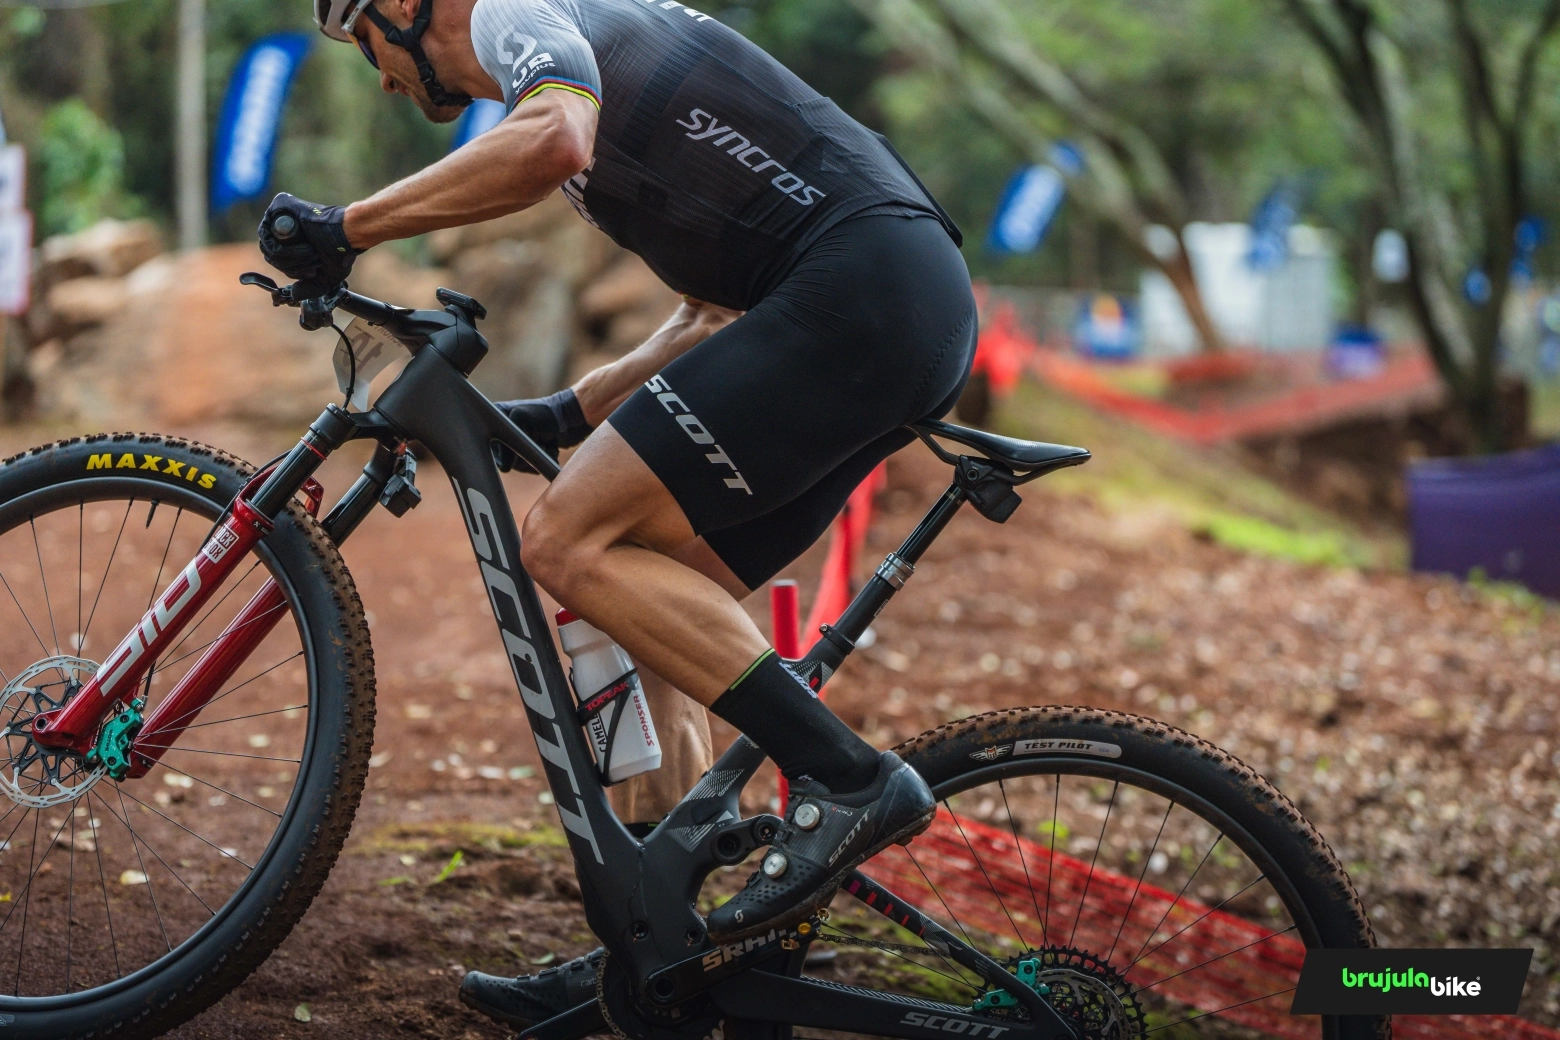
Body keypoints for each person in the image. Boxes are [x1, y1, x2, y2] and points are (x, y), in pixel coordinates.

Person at [271, 0, 977, 1028]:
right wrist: (565, 413)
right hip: (884, 304)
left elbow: (551, 137)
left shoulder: (524, 15)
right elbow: (706, 320)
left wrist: (346, 228)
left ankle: (849, 778)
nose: (379, 75)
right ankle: (665, 940)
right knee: (637, 593)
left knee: (564, 537)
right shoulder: (579, 67)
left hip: (866, 290)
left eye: (365, 40)